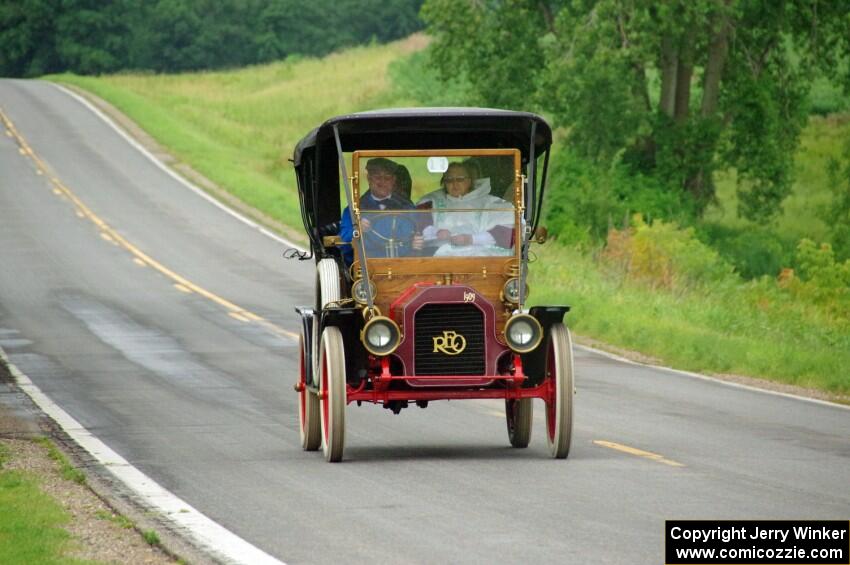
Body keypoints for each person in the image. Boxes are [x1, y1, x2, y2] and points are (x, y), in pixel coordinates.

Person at [416, 161, 515, 256]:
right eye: (449, 180)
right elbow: (418, 226)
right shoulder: (431, 202)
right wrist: (436, 232)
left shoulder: (492, 203)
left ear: (469, 181)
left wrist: (471, 239)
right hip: (440, 260)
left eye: (459, 179)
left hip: (481, 260)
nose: (454, 184)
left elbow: (509, 233)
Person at [339, 158, 423, 263]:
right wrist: (357, 230)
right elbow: (344, 242)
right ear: (369, 179)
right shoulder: (355, 209)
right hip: (367, 268)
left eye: (387, 178)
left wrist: (417, 243)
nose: (382, 182)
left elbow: (417, 235)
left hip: (403, 266)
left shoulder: (407, 207)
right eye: (377, 177)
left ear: (393, 180)